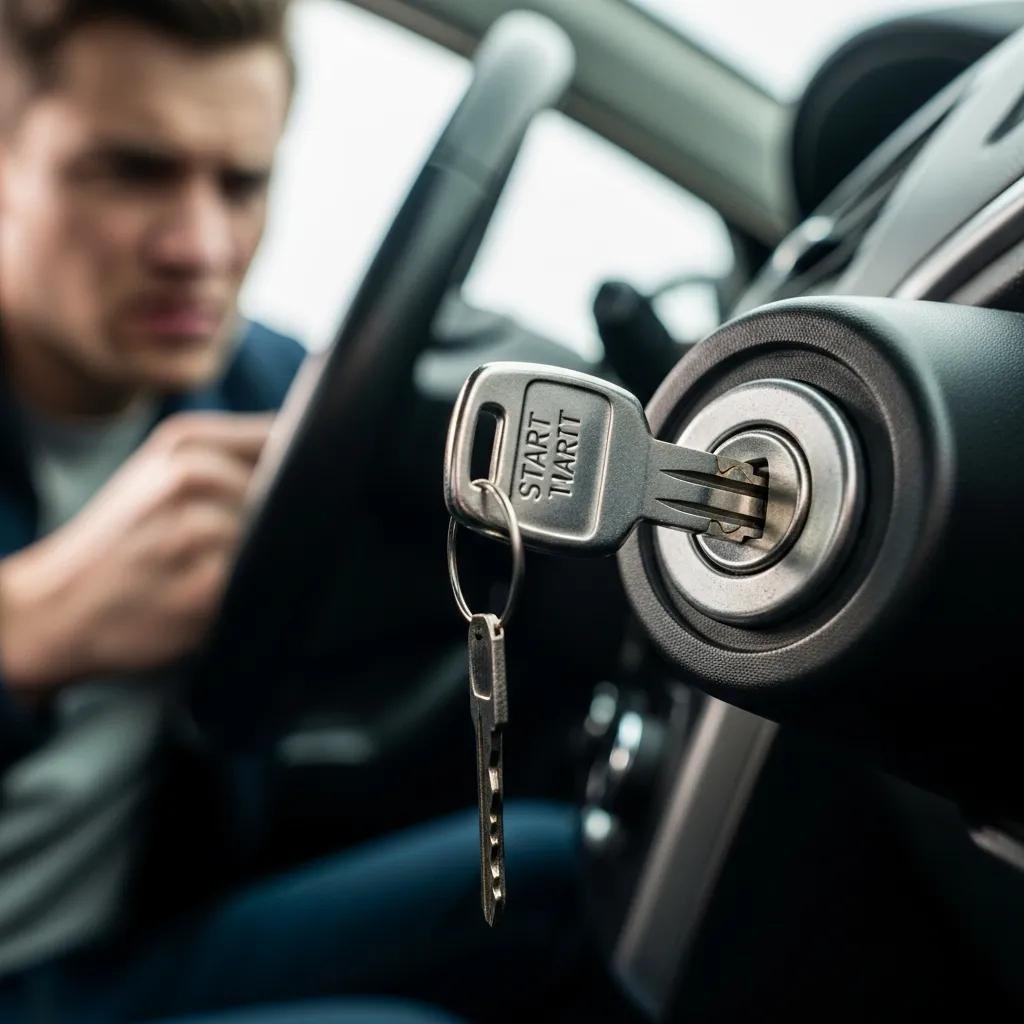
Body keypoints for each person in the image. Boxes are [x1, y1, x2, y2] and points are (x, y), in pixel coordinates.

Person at [0, 2, 580, 1021]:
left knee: (559, 866)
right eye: (132, 171)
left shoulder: (259, 389)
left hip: (111, 961)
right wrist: (28, 630)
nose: (200, 245)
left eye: (241, 181)